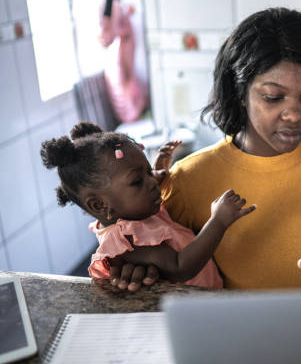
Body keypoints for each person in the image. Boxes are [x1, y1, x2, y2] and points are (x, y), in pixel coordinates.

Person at [113, 7, 301, 290]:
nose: (294, 115)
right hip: (226, 331)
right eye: (273, 97)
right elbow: (164, 274)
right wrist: (140, 268)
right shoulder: (187, 181)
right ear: (239, 93)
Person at [40, 122, 255, 291]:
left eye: (148, 171)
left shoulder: (134, 212)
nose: (152, 182)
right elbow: (181, 267)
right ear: (99, 205)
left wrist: (158, 168)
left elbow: (144, 191)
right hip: (195, 311)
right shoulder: (127, 239)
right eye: (137, 180)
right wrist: (218, 221)